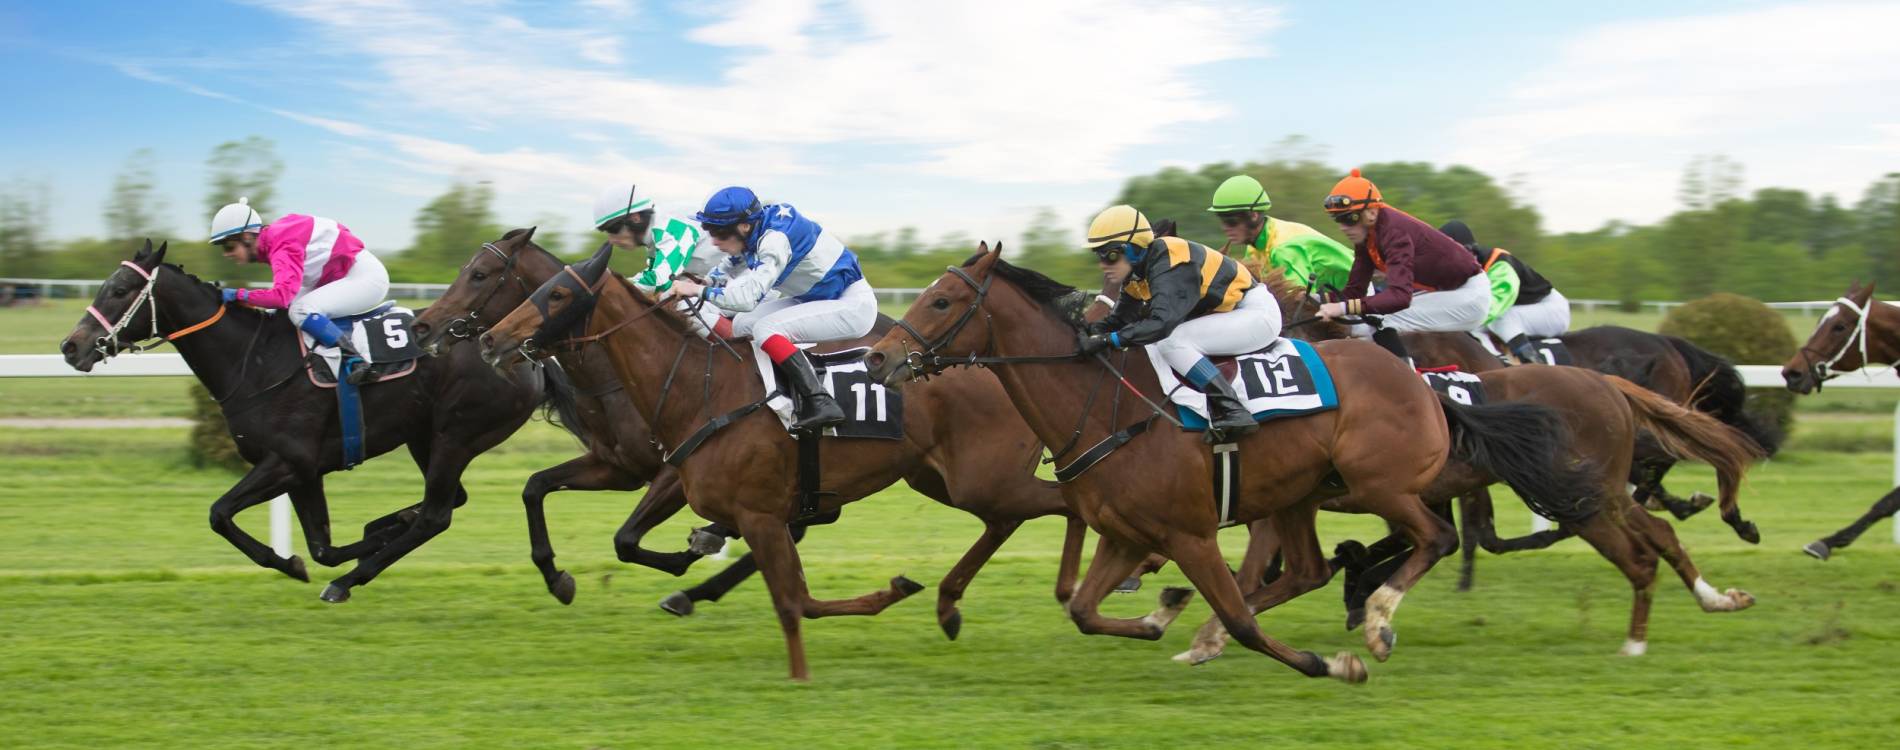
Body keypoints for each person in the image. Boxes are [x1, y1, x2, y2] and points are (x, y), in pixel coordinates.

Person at [666, 187, 875, 431]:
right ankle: (762, 387)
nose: (713, 240)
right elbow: (729, 266)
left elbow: (746, 299)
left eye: (719, 233)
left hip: (851, 305)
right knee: (743, 324)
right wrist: (704, 282)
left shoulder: (774, 240)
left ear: (744, 226)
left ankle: (820, 402)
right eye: (709, 231)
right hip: (815, 298)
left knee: (766, 328)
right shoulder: (754, 229)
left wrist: (698, 292)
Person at [1080, 205, 1278, 441]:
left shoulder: (1171, 262)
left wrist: (1108, 340)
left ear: (1134, 248)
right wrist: (1084, 332)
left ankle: (1233, 409)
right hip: (1231, 314)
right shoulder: (1137, 274)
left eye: (1109, 254)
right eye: (1098, 256)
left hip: (1256, 314)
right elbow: (1119, 320)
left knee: (1172, 342)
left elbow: (1161, 324)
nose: (1103, 264)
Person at [1315, 169, 1489, 364]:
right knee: (1368, 319)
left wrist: (1342, 307)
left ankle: (1408, 384)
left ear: (1372, 212)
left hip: (1470, 296)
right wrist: (1317, 301)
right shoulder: (1367, 235)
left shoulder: (1394, 232)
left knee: (1383, 319)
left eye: (1349, 219)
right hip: (1450, 290)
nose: (1343, 227)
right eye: (1338, 219)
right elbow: (1355, 291)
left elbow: (1399, 298)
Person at [208, 197, 387, 370]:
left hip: (365, 278)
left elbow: (281, 297)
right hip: (341, 274)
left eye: (229, 246)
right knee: (275, 313)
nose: (226, 254)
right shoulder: (275, 238)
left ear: (247, 237)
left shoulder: (281, 245)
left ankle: (355, 361)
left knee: (300, 310)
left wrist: (240, 294)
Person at [592, 183, 725, 336]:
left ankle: (747, 354)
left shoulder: (670, 227)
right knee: (666, 302)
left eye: (613, 229)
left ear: (635, 218)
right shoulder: (654, 235)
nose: (611, 239)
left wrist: (606, 290)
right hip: (720, 278)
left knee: (682, 308)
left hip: (746, 275)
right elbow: (652, 280)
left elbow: (660, 281)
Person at [1438, 220, 1570, 364]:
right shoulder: (1462, 269)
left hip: (1551, 310)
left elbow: (1495, 306)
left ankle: (1531, 364)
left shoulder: (1500, 263)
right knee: (1475, 328)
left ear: (1470, 250)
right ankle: (1492, 361)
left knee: (1498, 318)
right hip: (1522, 310)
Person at [1207, 174, 1355, 295]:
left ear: (1253, 215)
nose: (1225, 228)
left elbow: (1299, 301)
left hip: (1359, 295)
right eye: (1222, 220)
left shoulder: (1283, 248)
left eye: (1231, 221)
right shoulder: (1254, 247)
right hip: (1331, 299)